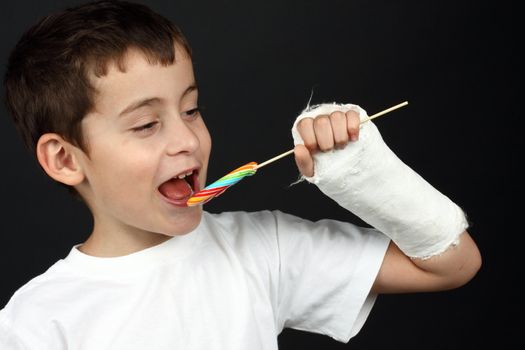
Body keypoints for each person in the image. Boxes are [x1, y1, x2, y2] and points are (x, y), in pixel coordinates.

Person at [0, 0, 481, 349]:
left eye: (191, 109)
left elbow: (453, 264)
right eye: (147, 124)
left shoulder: (261, 248)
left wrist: (360, 172)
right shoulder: (37, 321)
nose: (187, 139)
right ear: (65, 159)